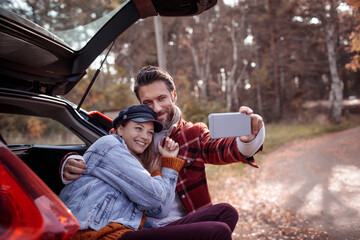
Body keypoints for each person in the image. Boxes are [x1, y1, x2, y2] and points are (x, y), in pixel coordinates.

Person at [61, 66, 265, 235]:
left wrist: (246, 140)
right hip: (137, 223)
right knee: (217, 231)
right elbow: (101, 152)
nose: (157, 108)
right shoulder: (131, 135)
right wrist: (69, 162)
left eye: (162, 98)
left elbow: (221, 149)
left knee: (227, 213)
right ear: (140, 103)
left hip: (180, 221)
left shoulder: (191, 134)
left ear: (173, 95)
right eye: (147, 102)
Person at [60, 105, 237, 240]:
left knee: (226, 212)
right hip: (98, 234)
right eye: (138, 128)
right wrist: (160, 171)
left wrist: (166, 164)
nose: (145, 137)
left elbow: (160, 209)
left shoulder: (135, 160)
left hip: (125, 231)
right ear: (120, 128)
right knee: (218, 232)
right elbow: (154, 198)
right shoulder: (110, 145)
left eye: (150, 132)